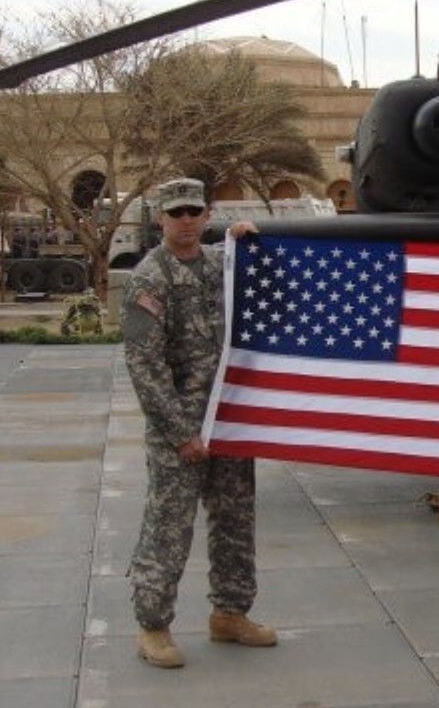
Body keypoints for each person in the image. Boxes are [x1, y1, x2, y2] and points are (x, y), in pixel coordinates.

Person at [122, 177, 272, 669]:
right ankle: (153, 626)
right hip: (181, 430)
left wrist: (251, 242)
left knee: (234, 521)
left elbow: (264, 279)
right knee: (169, 528)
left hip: (228, 421)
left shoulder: (219, 263)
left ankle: (229, 613)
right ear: (160, 218)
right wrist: (181, 432)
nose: (185, 220)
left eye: (194, 211)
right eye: (176, 212)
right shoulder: (150, 278)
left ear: (207, 214)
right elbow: (146, 368)